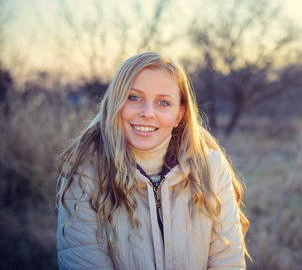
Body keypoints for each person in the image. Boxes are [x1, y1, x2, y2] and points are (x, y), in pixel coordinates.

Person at [56, 52, 250, 269]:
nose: (147, 113)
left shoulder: (211, 167)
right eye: (134, 97)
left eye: (163, 102)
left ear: (179, 114)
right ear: (115, 104)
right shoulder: (86, 175)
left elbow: (228, 262)